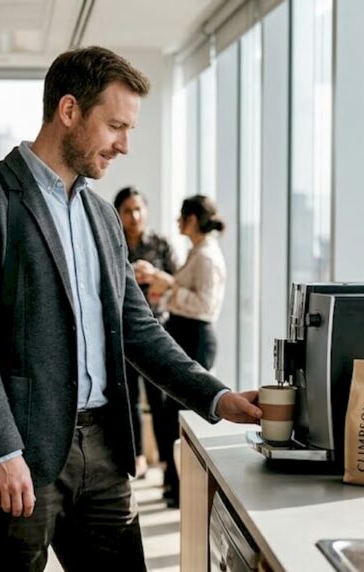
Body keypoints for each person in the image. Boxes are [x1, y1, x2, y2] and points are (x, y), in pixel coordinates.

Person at [0, 47, 262, 571]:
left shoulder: (102, 216)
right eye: (115, 126)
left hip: (106, 455)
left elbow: (137, 330)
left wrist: (217, 397)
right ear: (69, 111)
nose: (125, 145)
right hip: (23, 457)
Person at [136, 194, 228, 507]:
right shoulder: (197, 252)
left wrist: (169, 285)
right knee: (168, 412)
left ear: (191, 219)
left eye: (181, 216)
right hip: (184, 332)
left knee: (181, 412)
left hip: (195, 336)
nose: (177, 221)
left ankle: (181, 488)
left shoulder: (206, 256)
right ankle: (174, 484)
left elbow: (204, 305)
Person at [113, 186, 178, 480]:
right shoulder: (112, 241)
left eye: (138, 209)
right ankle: (136, 456)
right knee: (127, 397)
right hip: (121, 333)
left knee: (159, 400)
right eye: (127, 211)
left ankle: (166, 461)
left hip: (157, 330)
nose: (134, 216)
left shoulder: (161, 244)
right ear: (119, 214)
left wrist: (153, 277)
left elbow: (177, 282)